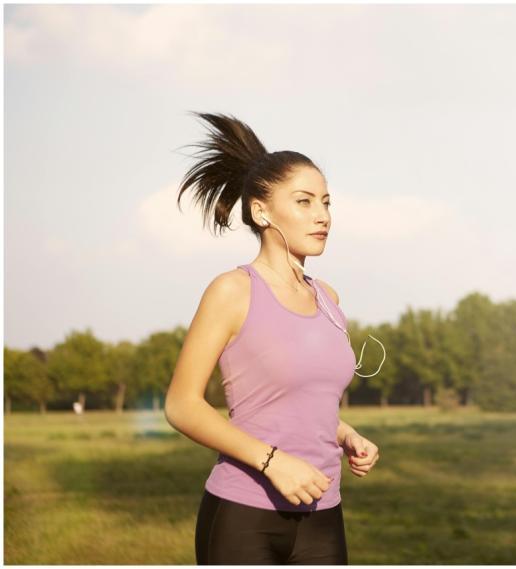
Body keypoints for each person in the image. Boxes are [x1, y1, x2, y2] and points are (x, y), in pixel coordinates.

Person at [164, 111, 384, 564]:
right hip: (245, 515)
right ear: (260, 211)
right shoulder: (232, 291)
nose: (322, 215)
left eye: (327, 202)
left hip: (324, 514)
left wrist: (345, 435)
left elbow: (296, 400)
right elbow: (182, 405)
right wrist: (272, 462)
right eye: (304, 202)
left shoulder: (328, 297)